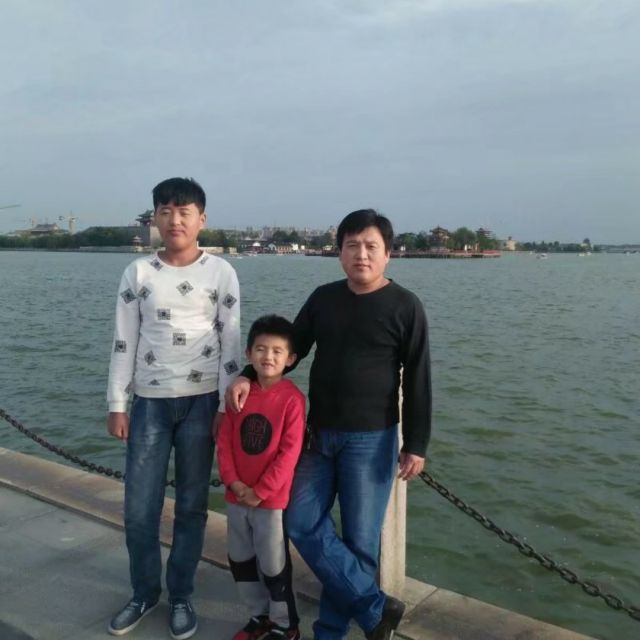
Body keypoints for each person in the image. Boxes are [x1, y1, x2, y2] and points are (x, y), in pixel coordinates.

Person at [227, 209, 431, 640]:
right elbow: (289, 349)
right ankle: (375, 609)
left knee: (360, 541)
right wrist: (246, 376)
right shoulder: (324, 298)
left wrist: (416, 442)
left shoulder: (405, 306)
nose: (361, 254)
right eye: (352, 245)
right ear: (339, 253)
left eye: (371, 246)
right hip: (318, 435)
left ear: (388, 254)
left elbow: (418, 377)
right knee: (299, 520)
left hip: (371, 439)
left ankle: (330, 631)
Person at [106, 177, 241, 639]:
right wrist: (117, 402)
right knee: (139, 508)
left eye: (184, 212)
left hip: (202, 403)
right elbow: (124, 341)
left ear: (202, 219)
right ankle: (144, 592)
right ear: (155, 219)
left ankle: (181, 593)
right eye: (165, 211)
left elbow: (231, 342)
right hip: (149, 404)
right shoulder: (138, 273)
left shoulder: (221, 272)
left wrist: (225, 403)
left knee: (191, 506)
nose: (174, 220)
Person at [217, 314, 306, 640]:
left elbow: (289, 453)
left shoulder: (293, 400)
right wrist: (234, 482)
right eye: (260, 349)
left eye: (277, 351)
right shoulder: (238, 393)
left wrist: (261, 491)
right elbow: (224, 443)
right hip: (236, 495)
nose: (268, 357)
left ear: (290, 359)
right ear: (248, 354)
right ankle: (258, 616)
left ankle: (285, 624)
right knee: (240, 559)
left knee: (273, 564)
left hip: (271, 501)